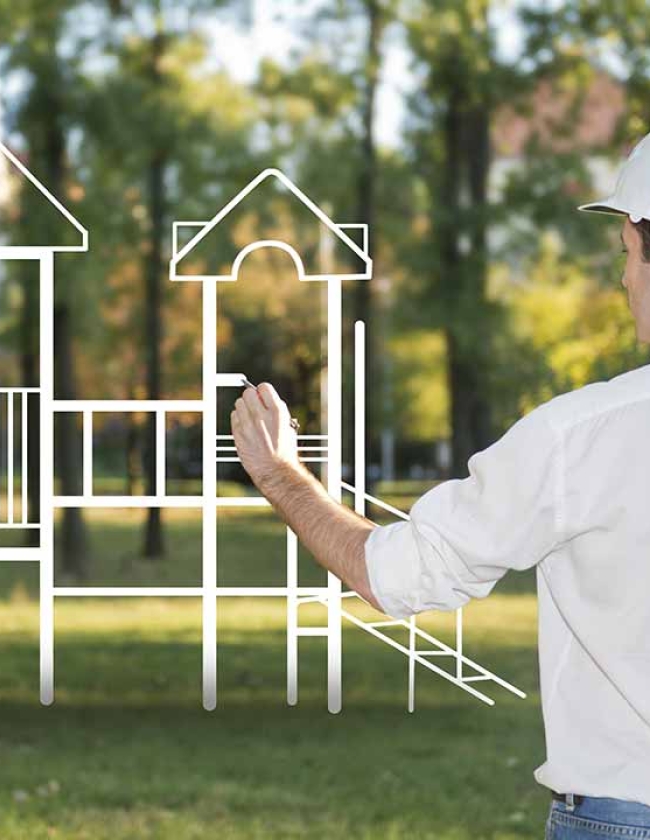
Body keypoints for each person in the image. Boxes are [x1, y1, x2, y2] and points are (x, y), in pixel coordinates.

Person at [230, 132, 650, 839]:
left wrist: (280, 474)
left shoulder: (582, 438)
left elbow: (397, 575)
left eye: (627, 254)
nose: (624, 279)